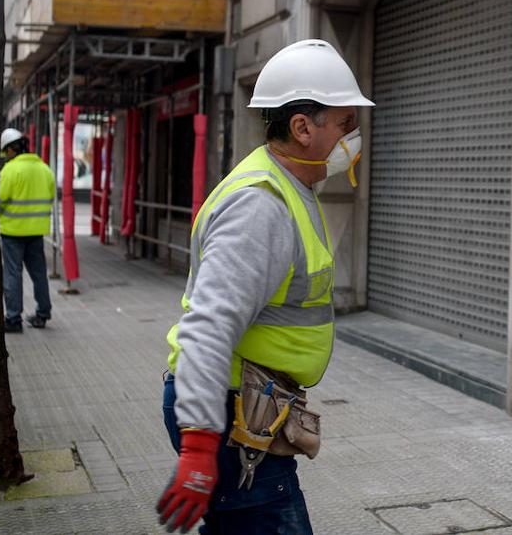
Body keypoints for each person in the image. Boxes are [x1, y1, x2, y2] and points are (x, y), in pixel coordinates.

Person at [157, 39, 373, 534]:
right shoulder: (262, 207)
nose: (355, 137)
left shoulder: (289, 187)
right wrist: (198, 446)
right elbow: (208, 328)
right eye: (345, 124)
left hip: (249, 409)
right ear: (302, 128)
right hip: (229, 417)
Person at [0, 127, 56, 333]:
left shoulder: (9, 170)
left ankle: (13, 319)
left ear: (12, 149)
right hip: (36, 232)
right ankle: (43, 313)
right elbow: (50, 198)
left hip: (12, 232)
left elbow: (0, 200)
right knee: (39, 274)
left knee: (13, 274)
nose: (6, 156)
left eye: (6, 151)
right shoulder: (44, 169)